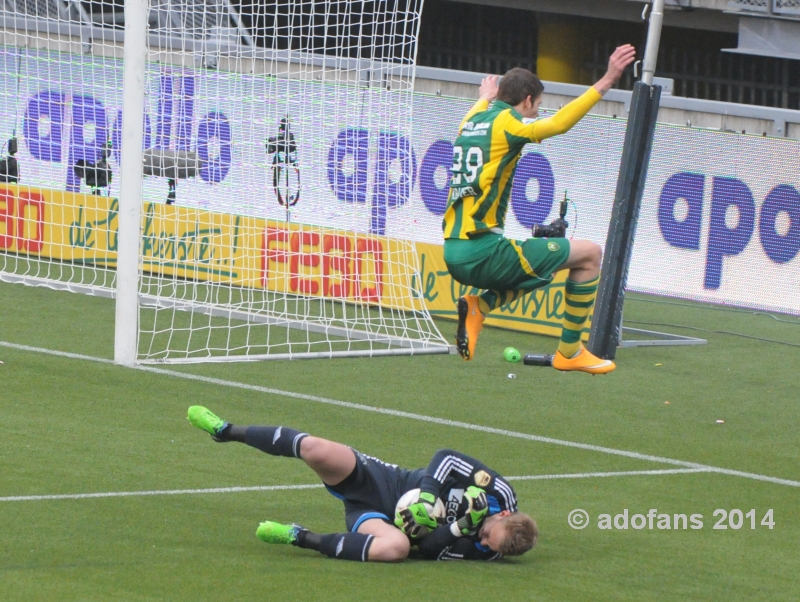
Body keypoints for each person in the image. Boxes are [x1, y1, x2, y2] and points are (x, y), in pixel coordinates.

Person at [442, 44, 637, 374]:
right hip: (483, 252)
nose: (535, 113)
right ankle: (569, 353)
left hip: (453, 250)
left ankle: (480, 306)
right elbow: (558, 125)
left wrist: (486, 96)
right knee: (589, 254)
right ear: (528, 100)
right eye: (537, 106)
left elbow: (478, 109)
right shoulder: (510, 122)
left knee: (550, 263)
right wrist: (607, 80)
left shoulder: (471, 120)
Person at [187, 405, 538, 562]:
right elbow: (445, 457)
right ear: (505, 512)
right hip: (386, 480)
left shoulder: (486, 550)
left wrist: (462, 528)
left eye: (489, 546)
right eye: (489, 533)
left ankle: (300, 537)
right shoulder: (499, 492)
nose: (484, 541)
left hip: (377, 516)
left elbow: (430, 551)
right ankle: (226, 431)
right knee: (314, 448)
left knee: (396, 550)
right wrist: (429, 498)